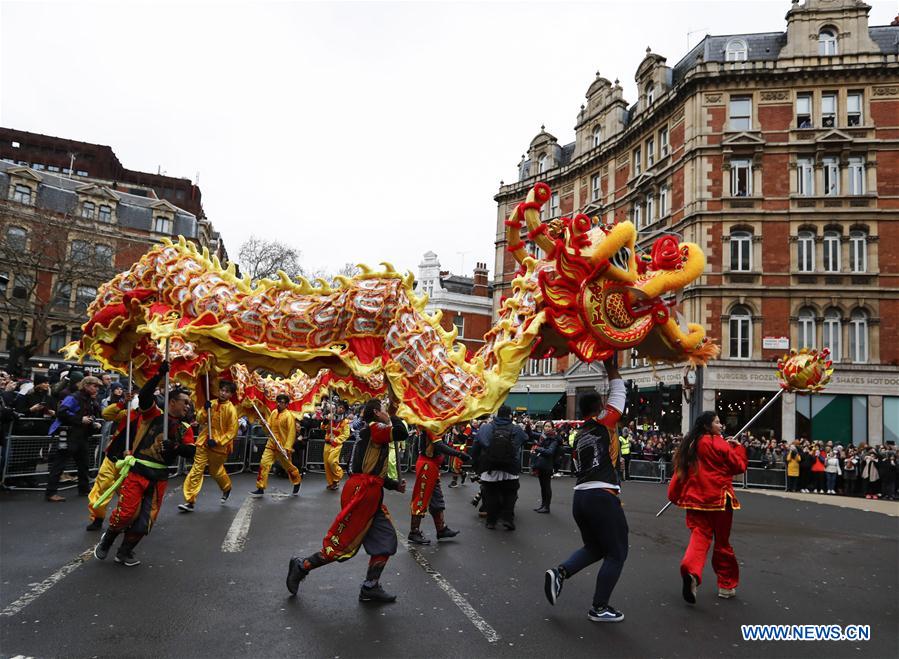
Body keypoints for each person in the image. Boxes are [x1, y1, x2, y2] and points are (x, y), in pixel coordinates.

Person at [286, 398, 406, 603]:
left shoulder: (373, 431)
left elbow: (372, 471)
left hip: (370, 493)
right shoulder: (376, 428)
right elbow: (401, 432)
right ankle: (302, 565)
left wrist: (393, 484)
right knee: (343, 545)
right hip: (362, 494)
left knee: (386, 539)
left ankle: (371, 586)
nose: (386, 412)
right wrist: (391, 417)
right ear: (377, 413)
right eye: (383, 409)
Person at [543, 358, 628, 623]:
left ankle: (560, 573)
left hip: (580, 496)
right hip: (602, 495)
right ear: (600, 408)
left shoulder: (579, 434)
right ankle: (599, 607)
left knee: (595, 547)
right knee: (617, 552)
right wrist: (610, 365)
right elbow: (619, 390)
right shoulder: (604, 423)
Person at [93, 362, 195, 566]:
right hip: (137, 473)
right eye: (184, 402)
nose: (187, 406)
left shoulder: (185, 428)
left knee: (145, 522)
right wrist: (159, 374)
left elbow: (191, 451)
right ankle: (108, 539)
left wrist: (174, 447)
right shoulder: (153, 415)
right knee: (126, 514)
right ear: (172, 402)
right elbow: (146, 396)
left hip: (159, 479)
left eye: (189, 404)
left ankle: (125, 551)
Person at [667, 411, 747, 604]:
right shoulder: (719, 443)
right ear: (707, 426)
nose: (721, 426)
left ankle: (690, 569)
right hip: (720, 499)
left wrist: (674, 494)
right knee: (722, 543)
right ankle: (726, 585)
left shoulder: (691, 445)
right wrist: (738, 449)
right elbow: (738, 467)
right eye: (717, 422)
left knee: (699, 536)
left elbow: (681, 472)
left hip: (696, 500)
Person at [179, 380, 238, 512]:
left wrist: (218, 441)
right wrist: (204, 410)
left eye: (227, 391)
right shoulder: (211, 403)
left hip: (220, 447)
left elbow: (232, 431)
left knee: (215, 471)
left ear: (231, 394)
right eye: (222, 390)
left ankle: (226, 487)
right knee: (197, 469)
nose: (223, 393)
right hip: (204, 442)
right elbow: (200, 420)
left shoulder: (231, 410)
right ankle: (189, 500)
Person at [407, 425, 470, 545]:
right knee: (421, 498)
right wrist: (459, 454)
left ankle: (441, 528)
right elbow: (439, 446)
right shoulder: (431, 425)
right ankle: (414, 531)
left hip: (432, 465)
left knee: (437, 498)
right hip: (427, 465)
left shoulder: (436, 426)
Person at [86, 390, 138, 531]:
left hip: (130, 462)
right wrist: (122, 402)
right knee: (102, 489)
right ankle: (98, 518)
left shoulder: (153, 421)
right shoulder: (127, 415)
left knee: (128, 493)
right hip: (112, 457)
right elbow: (106, 414)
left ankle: (127, 520)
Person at [45, 376, 103, 502]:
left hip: (81, 435)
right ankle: (51, 493)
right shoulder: (73, 397)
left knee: (84, 464)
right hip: (69, 435)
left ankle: (84, 488)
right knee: (59, 464)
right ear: (86, 385)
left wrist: (93, 422)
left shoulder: (89, 399)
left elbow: (87, 413)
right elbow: (61, 412)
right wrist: (80, 419)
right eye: (95, 386)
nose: (97, 389)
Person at [470, 404, 527, 530]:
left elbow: (475, 448)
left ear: (497, 414)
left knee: (490, 494)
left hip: (489, 467)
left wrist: (476, 465)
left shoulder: (485, 428)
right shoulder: (516, 429)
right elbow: (524, 439)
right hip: (510, 468)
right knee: (510, 494)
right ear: (510, 415)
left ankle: (491, 521)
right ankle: (508, 519)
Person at [250, 394, 302, 497]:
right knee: (264, 463)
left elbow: (292, 433)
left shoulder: (289, 416)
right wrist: (264, 424)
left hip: (282, 446)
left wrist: (287, 447)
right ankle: (260, 487)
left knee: (288, 466)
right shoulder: (273, 413)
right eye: (278, 402)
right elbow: (267, 430)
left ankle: (297, 481)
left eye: (282, 402)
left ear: (286, 404)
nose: (279, 404)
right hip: (271, 444)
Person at [531, 420, 560, 513]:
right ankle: (543, 505)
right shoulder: (543, 437)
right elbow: (530, 433)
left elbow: (550, 452)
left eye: (549, 426)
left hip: (547, 465)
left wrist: (538, 449)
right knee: (543, 486)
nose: (547, 428)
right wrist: (528, 424)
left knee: (546, 486)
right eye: (545, 426)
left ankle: (546, 507)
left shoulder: (554, 439)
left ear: (552, 428)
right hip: (541, 464)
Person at [323, 400, 350, 491]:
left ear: (345, 410)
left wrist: (335, 440)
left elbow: (346, 434)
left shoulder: (345, 422)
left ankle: (338, 475)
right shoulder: (330, 417)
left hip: (336, 445)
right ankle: (332, 483)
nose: (340, 409)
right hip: (327, 444)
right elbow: (322, 427)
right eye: (340, 407)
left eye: (343, 408)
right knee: (327, 464)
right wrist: (326, 420)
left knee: (332, 461)